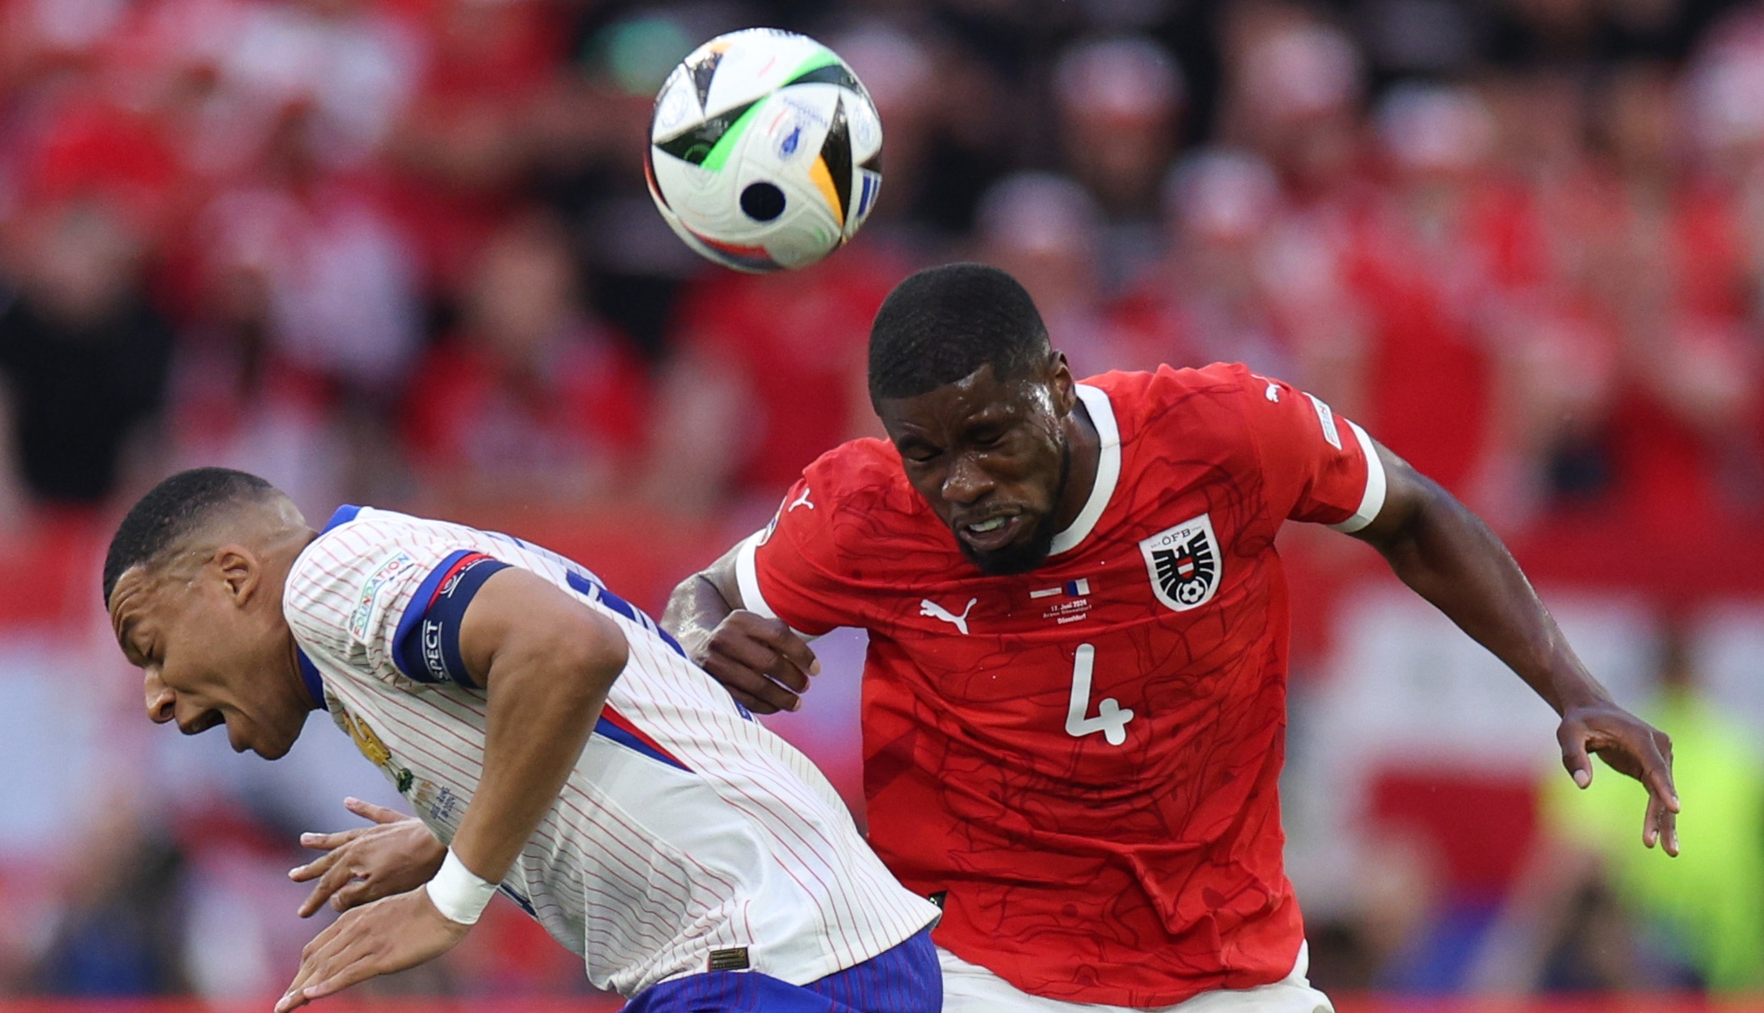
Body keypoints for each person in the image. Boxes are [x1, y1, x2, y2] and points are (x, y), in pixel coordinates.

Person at [659, 263, 1680, 1012]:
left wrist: (1570, 683)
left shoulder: (1222, 435)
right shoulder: (862, 508)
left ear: (1057, 385)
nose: (961, 483)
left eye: (989, 438)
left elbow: (1407, 509)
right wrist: (705, 639)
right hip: (983, 970)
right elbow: (696, 596)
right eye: (925, 451)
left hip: (1233, 964)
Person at [101, 467, 942, 1012]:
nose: (154, 698)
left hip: (773, 952)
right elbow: (600, 704)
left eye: (152, 647)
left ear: (236, 577)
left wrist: (450, 898)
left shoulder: (328, 578)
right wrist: (448, 833)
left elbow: (571, 649)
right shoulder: (373, 602)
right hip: (803, 950)